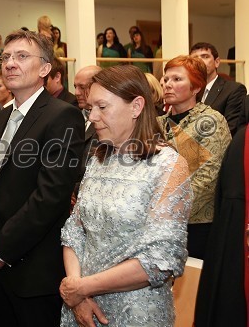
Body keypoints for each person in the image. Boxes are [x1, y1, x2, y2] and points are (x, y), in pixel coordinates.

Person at [0, 29, 84, 327]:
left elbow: (50, 197)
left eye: (21, 56)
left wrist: (1, 248)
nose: (9, 64)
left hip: (30, 270)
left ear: (45, 69)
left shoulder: (62, 116)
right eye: (5, 57)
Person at [60, 65, 193, 327]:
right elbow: (74, 231)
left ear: (136, 106)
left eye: (102, 107)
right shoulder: (99, 159)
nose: (93, 117)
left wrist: (82, 288)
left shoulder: (169, 166)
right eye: (90, 109)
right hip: (82, 309)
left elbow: (161, 258)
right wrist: (79, 293)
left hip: (136, 313)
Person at [157, 55, 231, 259]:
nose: (167, 84)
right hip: (157, 223)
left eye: (177, 79)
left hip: (197, 225)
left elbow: (207, 179)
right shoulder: (157, 123)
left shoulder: (210, 121)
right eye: (166, 79)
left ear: (196, 87)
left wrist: (167, 211)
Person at [195, 124, 249, 327]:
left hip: (198, 219)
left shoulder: (208, 122)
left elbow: (205, 178)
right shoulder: (244, 139)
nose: (167, 89)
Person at [190, 42, 247, 136]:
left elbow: (230, 129)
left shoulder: (233, 90)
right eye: (195, 58)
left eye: (205, 56)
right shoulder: (188, 91)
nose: (199, 61)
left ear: (217, 62)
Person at [73, 65, 101, 177]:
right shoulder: (72, 115)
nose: (76, 92)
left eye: (82, 87)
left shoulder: (107, 121)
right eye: (75, 86)